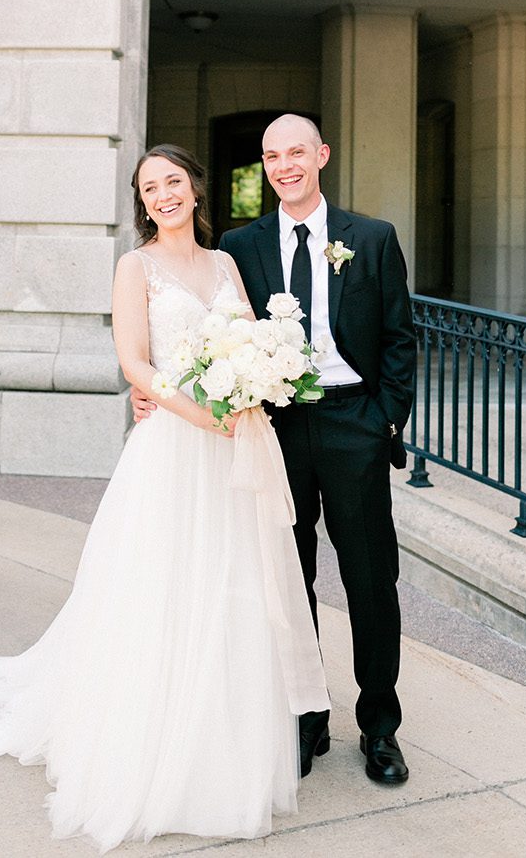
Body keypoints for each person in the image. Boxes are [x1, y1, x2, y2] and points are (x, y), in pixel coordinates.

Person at [0, 143, 329, 853]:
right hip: (174, 448)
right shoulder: (136, 268)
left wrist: (256, 380)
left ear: (195, 187)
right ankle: (150, 743)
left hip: (233, 446)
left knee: (229, 587)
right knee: (158, 590)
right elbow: (133, 361)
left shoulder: (224, 264)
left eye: (172, 182)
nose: (163, 195)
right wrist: (202, 414)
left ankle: (220, 739)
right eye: (149, 188)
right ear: (144, 202)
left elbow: (250, 336)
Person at [134, 115, 416, 785]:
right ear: (263, 167)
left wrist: (385, 423)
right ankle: (304, 718)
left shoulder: (371, 239)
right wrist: (155, 389)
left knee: (370, 582)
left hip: (354, 425)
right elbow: (206, 336)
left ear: (320, 155)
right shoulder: (239, 246)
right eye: (271, 156)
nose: (285, 165)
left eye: (296, 152)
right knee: (282, 580)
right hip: (271, 426)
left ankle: (380, 727)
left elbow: (401, 338)